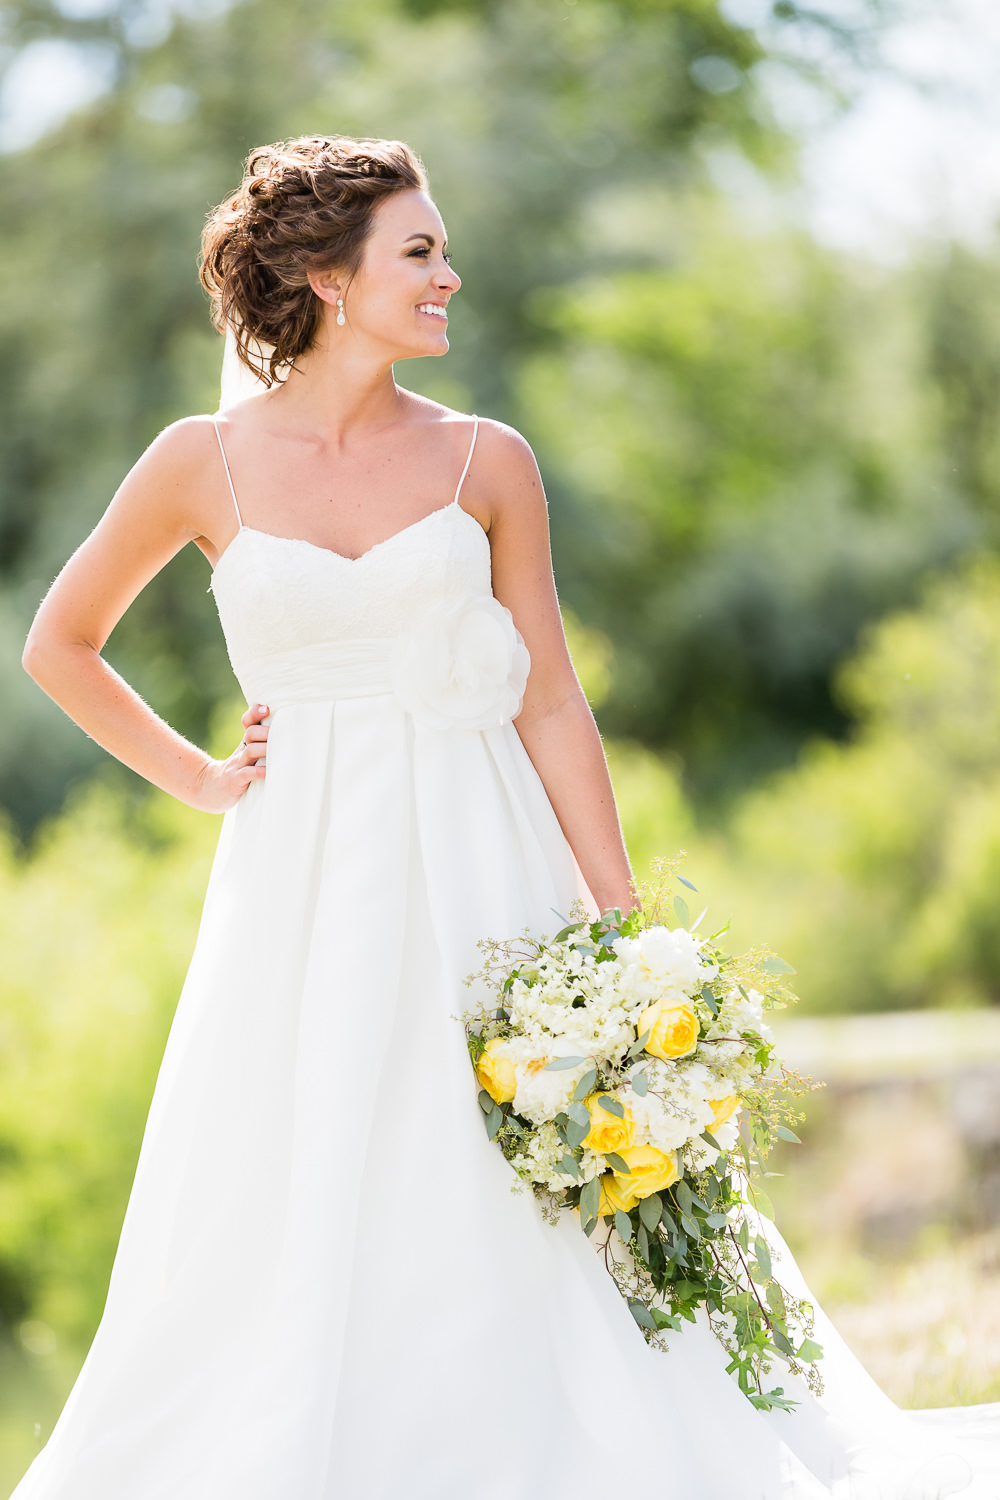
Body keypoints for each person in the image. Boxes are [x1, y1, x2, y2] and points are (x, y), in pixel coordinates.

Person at [11, 133, 998, 1500]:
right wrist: (201, 778)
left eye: (442, 249)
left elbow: (550, 699)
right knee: (292, 1159)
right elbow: (61, 644)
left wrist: (621, 926)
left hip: (486, 856)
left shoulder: (487, 460)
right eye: (419, 252)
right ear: (322, 275)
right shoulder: (202, 461)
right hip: (296, 877)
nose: (449, 277)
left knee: (523, 1167)